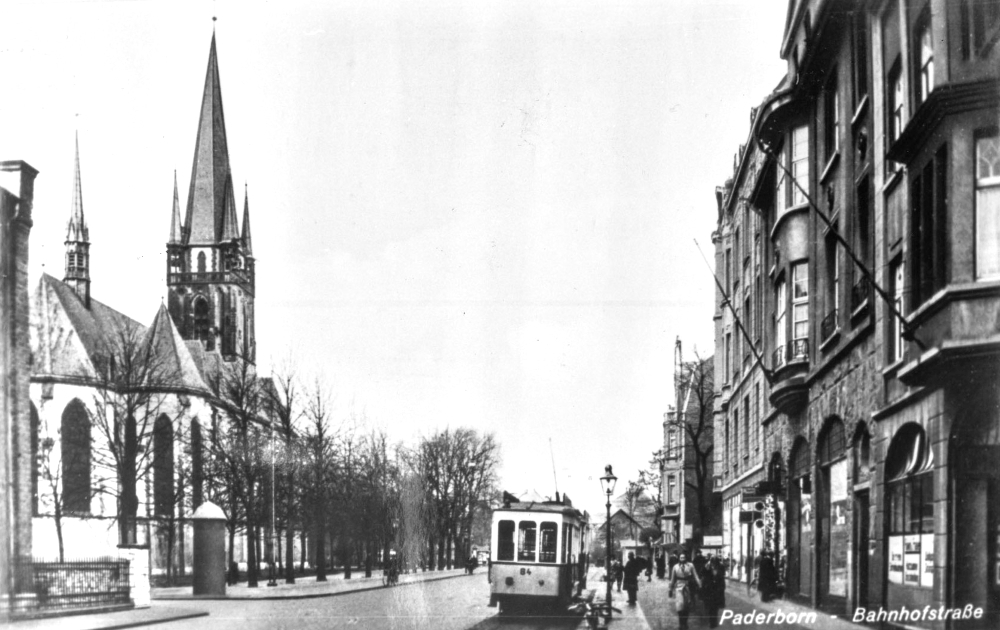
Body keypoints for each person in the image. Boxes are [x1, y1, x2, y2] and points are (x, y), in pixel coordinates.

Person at [669, 551, 702, 630]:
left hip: (688, 587)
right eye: (681, 557)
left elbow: (696, 576)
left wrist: (700, 585)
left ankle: (685, 622)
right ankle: (681, 623)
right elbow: (672, 579)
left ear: (686, 558)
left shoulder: (690, 565)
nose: (682, 559)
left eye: (684, 557)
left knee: (687, 607)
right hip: (679, 588)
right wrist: (670, 589)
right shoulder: (675, 567)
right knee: (680, 606)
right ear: (679, 558)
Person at [700, 557, 726, 628]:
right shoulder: (707, 569)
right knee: (710, 608)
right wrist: (706, 566)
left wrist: (720, 590)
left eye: (715, 563)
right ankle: (712, 622)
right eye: (712, 563)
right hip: (709, 592)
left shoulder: (719, 571)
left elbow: (722, 583)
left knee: (715, 608)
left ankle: (713, 622)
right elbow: (702, 573)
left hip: (717, 593)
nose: (713, 565)